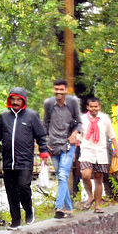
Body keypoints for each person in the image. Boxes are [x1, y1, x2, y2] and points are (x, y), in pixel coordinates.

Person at [0, 87, 49, 227]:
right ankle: (16, 221)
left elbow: (41, 136)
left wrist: (43, 151)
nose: (15, 102)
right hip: (8, 161)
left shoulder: (31, 116)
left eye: (19, 99)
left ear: (23, 101)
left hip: (25, 160)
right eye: (13, 99)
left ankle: (29, 210)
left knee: (23, 186)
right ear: (9, 100)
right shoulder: (3, 117)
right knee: (11, 191)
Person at [42, 79, 83, 218]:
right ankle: (70, 209)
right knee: (61, 177)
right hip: (53, 145)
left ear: (66, 90)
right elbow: (45, 124)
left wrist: (74, 134)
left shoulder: (73, 103)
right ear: (54, 90)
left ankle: (59, 207)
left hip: (68, 144)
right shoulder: (48, 104)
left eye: (61, 90)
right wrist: (45, 141)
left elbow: (79, 123)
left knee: (62, 175)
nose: (59, 92)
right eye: (56, 90)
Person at [78, 95, 118, 214]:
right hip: (86, 151)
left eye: (96, 107)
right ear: (87, 107)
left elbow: (112, 135)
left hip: (101, 153)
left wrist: (117, 150)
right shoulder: (83, 119)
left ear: (99, 107)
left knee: (98, 179)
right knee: (85, 175)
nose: (94, 109)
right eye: (91, 107)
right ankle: (90, 196)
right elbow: (78, 135)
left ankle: (97, 205)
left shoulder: (104, 119)